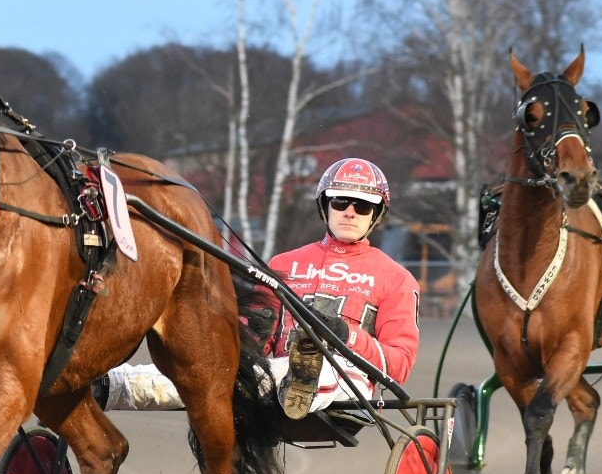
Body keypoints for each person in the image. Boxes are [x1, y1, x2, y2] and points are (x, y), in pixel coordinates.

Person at [97, 157, 421, 421]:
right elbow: (252, 340)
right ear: (326, 205)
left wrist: (347, 336)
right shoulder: (284, 263)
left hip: (347, 378)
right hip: (273, 370)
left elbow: (400, 364)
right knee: (207, 369)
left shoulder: (396, 278)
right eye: (340, 202)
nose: (350, 212)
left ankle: (300, 382)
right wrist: (254, 332)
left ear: (376, 214)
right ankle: (109, 385)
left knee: (296, 373)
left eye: (362, 206)